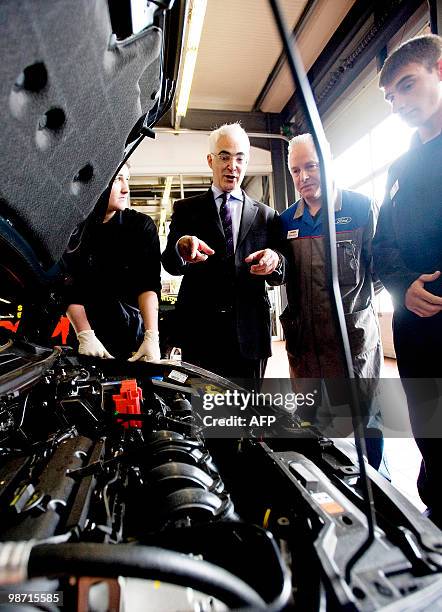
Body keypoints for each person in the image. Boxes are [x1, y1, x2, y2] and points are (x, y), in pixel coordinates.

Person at [279, 133, 385, 470]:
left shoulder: (360, 208)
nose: (304, 177)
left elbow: (379, 272)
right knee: (308, 421)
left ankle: (377, 490)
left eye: (311, 166)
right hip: (305, 345)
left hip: (351, 342)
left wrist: (353, 307)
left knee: (365, 420)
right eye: (296, 170)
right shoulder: (286, 222)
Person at [373, 34, 442, 525]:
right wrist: (403, 287)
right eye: (391, 96)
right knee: (430, 433)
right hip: (416, 330)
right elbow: (381, 249)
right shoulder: (398, 168)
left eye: (408, 85)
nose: (398, 102)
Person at [161, 123, 283, 381]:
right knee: (205, 414)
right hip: (201, 334)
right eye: (224, 156)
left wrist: (276, 260)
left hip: (250, 334)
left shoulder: (266, 216)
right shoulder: (186, 210)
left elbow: (281, 271)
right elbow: (170, 263)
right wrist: (181, 247)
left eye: (240, 159)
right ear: (210, 160)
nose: (232, 166)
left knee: (247, 412)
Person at [66, 163, 162, 361]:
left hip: (134, 341)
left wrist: (152, 336)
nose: (126, 188)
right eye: (118, 179)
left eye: (127, 179)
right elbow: (67, 287)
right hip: (86, 340)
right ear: (97, 184)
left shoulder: (141, 226)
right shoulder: (72, 230)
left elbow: (148, 284)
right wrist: (85, 335)